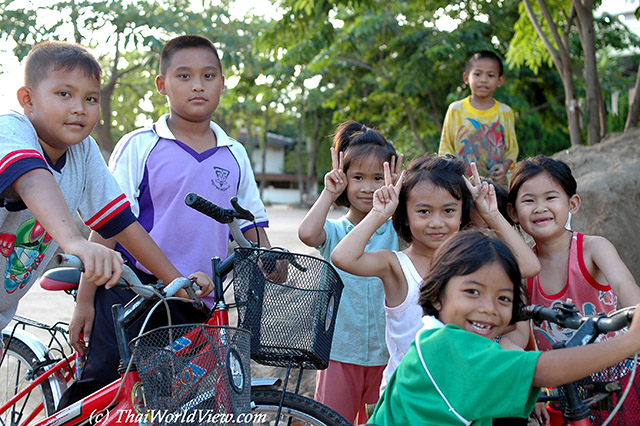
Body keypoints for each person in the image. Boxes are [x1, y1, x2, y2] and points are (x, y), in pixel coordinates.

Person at [58, 34, 270, 407]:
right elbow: (108, 224)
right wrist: (85, 301)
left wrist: (271, 259)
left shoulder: (234, 153)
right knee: (104, 385)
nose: (198, 85)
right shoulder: (140, 145)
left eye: (208, 76)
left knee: (177, 399)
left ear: (222, 83)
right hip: (133, 292)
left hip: (199, 298)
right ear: (162, 85)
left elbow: (251, 223)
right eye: (184, 76)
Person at [0, 41, 212, 356]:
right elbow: (32, 179)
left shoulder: (83, 153)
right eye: (64, 94)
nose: (79, 108)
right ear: (27, 100)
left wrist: (177, 282)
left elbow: (122, 222)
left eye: (90, 99)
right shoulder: (11, 130)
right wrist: (76, 242)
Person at [368, 229, 640, 426]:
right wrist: (628, 343)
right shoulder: (444, 346)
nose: (489, 307)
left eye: (503, 298)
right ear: (437, 295)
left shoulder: (441, 338)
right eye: (473, 291)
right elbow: (542, 370)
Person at [331, 155, 540, 394]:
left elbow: (528, 266)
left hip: (459, 397)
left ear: (462, 214)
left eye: (448, 210)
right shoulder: (396, 266)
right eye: (424, 211)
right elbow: (342, 257)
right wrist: (380, 213)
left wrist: (491, 214)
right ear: (406, 216)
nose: (437, 222)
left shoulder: (472, 262)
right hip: (407, 399)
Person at [508, 155, 640, 425]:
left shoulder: (593, 248)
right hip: (563, 388)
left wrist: (636, 313)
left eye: (550, 198)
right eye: (529, 200)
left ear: (573, 204)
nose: (540, 208)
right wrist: (517, 371)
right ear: (513, 212)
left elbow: (625, 286)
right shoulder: (522, 271)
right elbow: (519, 333)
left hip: (617, 377)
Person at [297, 120, 401, 424]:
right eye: (357, 177)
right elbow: (307, 233)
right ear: (344, 179)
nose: (368, 188)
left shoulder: (399, 230)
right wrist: (329, 193)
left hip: (389, 353)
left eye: (376, 178)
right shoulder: (336, 230)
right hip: (340, 352)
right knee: (331, 420)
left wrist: (397, 198)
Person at [438, 50, 518, 185]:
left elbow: (512, 150)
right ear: (466, 78)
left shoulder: (505, 112)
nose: (483, 80)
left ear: (500, 80)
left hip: (495, 186)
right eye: (477, 74)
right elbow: (445, 148)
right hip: (462, 185)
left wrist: (504, 167)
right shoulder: (455, 110)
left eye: (491, 75)